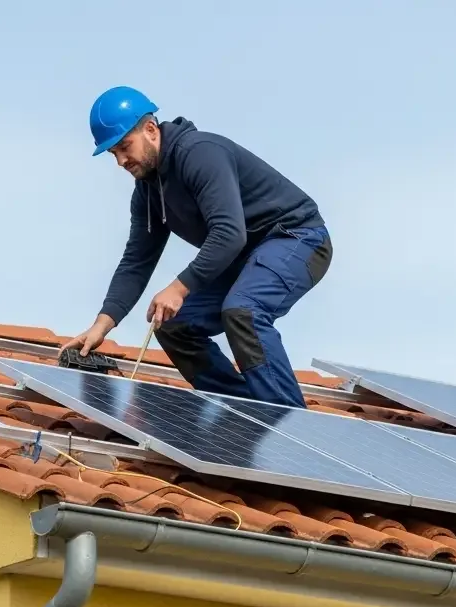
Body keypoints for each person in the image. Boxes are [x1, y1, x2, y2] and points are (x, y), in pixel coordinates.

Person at [64, 85, 332, 409]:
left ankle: (287, 422)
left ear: (150, 129)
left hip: (297, 238)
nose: (121, 160)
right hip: (245, 255)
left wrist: (179, 287)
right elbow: (136, 261)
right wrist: (102, 324)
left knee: (243, 309)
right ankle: (243, 411)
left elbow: (229, 233)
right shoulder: (148, 193)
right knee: (174, 324)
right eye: (113, 154)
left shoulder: (199, 153)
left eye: (124, 146)